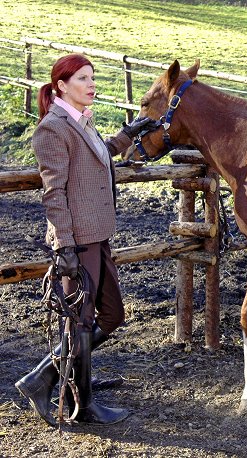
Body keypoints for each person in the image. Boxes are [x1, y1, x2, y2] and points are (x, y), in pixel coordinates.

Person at [15, 53, 158, 426]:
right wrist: (63, 245)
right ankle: (83, 403)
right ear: (61, 85)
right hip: (77, 240)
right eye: (82, 79)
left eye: (92, 78)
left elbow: (96, 155)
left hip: (98, 235)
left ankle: (42, 378)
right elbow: (54, 193)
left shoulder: (81, 121)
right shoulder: (53, 128)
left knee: (111, 315)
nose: (91, 85)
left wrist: (128, 135)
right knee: (79, 323)